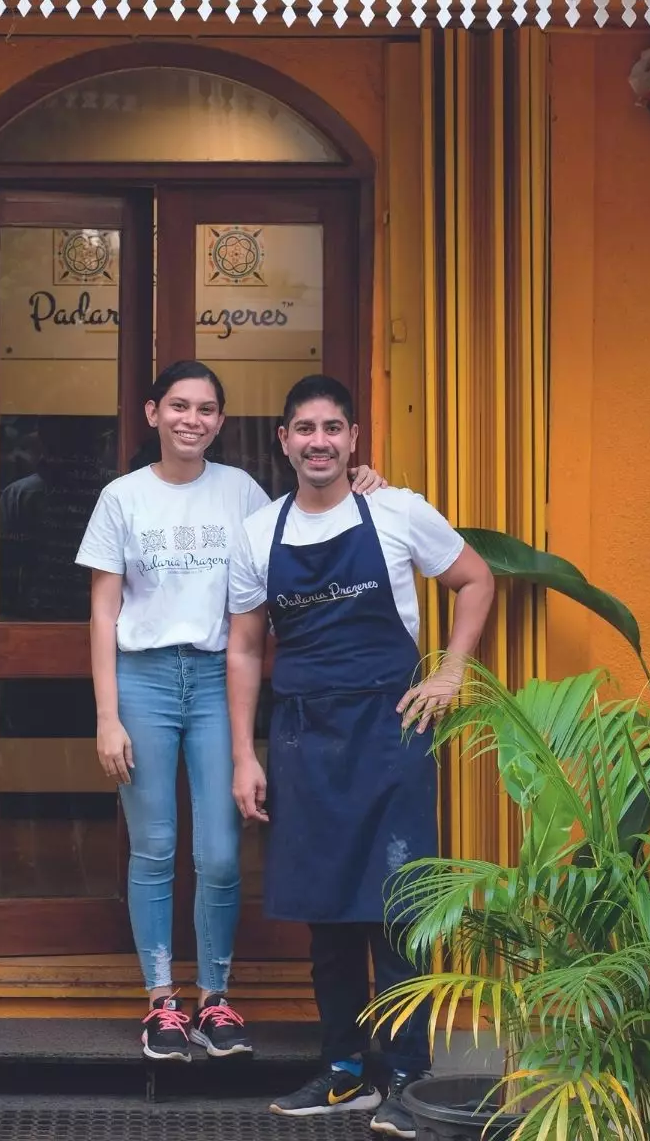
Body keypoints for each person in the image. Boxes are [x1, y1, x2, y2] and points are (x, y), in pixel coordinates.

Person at [77, 361, 387, 1064]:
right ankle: (162, 1003)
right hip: (144, 680)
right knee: (154, 850)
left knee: (220, 853)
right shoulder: (122, 498)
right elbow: (102, 613)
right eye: (179, 406)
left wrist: (365, 483)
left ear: (220, 421)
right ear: (153, 413)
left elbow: (305, 524)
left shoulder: (242, 492)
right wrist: (106, 714)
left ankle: (215, 998)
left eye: (208, 409)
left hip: (219, 680)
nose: (193, 419)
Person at [227, 375, 495, 1139]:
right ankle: (345, 1071)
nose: (318, 441)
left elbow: (475, 580)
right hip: (304, 737)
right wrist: (246, 753)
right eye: (304, 428)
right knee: (327, 916)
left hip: (392, 730)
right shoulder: (257, 534)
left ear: (353, 439)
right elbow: (245, 649)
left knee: (400, 911)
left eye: (332, 428)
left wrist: (450, 673)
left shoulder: (397, 511)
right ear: (284, 440)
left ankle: (408, 1077)